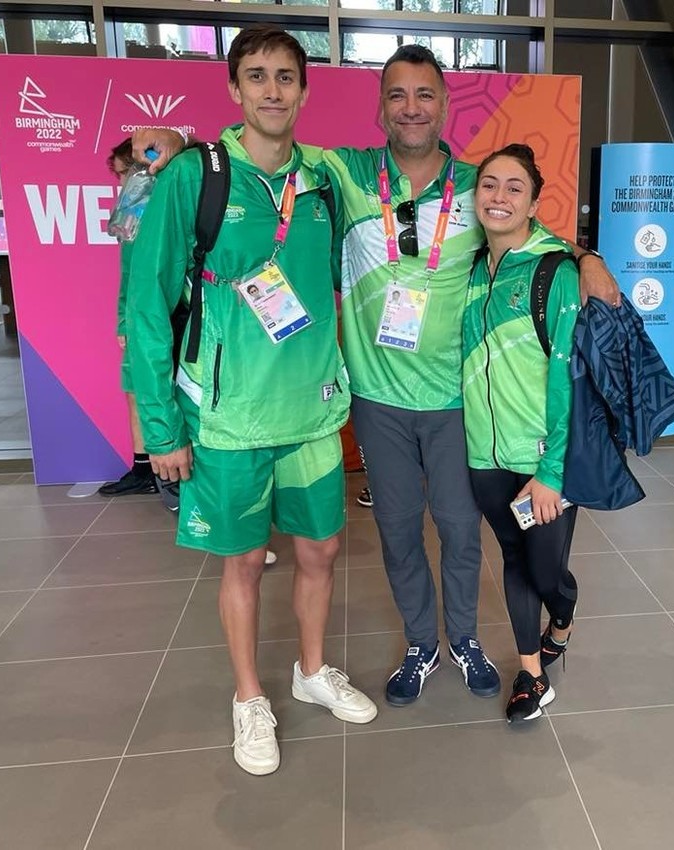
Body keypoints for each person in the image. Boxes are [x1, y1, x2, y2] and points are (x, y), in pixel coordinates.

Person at [132, 42, 619, 709]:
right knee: (396, 531)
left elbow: (528, 230)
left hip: (454, 401)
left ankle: (464, 640)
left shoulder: (478, 184)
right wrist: (174, 145)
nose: (412, 107)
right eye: (397, 94)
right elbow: (262, 153)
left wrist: (586, 258)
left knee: (456, 528)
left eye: (425, 94)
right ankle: (421, 643)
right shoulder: (342, 173)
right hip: (375, 399)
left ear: (445, 103)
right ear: (381, 107)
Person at [125, 26, 376, 777]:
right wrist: (161, 428)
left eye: (287, 77)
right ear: (234, 89)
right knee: (241, 564)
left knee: (323, 549)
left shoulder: (324, 179)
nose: (273, 90)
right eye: (258, 76)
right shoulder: (193, 178)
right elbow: (144, 305)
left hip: (311, 413)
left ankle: (308, 670)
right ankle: (247, 699)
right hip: (227, 420)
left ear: (305, 89)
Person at [462, 144, 580, 724]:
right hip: (484, 455)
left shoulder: (555, 268)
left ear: (535, 201)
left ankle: (564, 610)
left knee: (547, 571)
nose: (499, 197)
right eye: (489, 185)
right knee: (513, 555)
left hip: (540, 459)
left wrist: (553, 470)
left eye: (514, 187)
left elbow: (568, 378)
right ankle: (532, 672)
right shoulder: (470, 269)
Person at [98, 140, 160, 500]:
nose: (123, 181)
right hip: (139, 316)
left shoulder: (174, 205)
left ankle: (174, 472)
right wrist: (123, 319)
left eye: (126, 172)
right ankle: (144, 468)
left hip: (171, 316)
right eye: (120, 174)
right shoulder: (132, 212)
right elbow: (129, 270)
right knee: (135, 389)